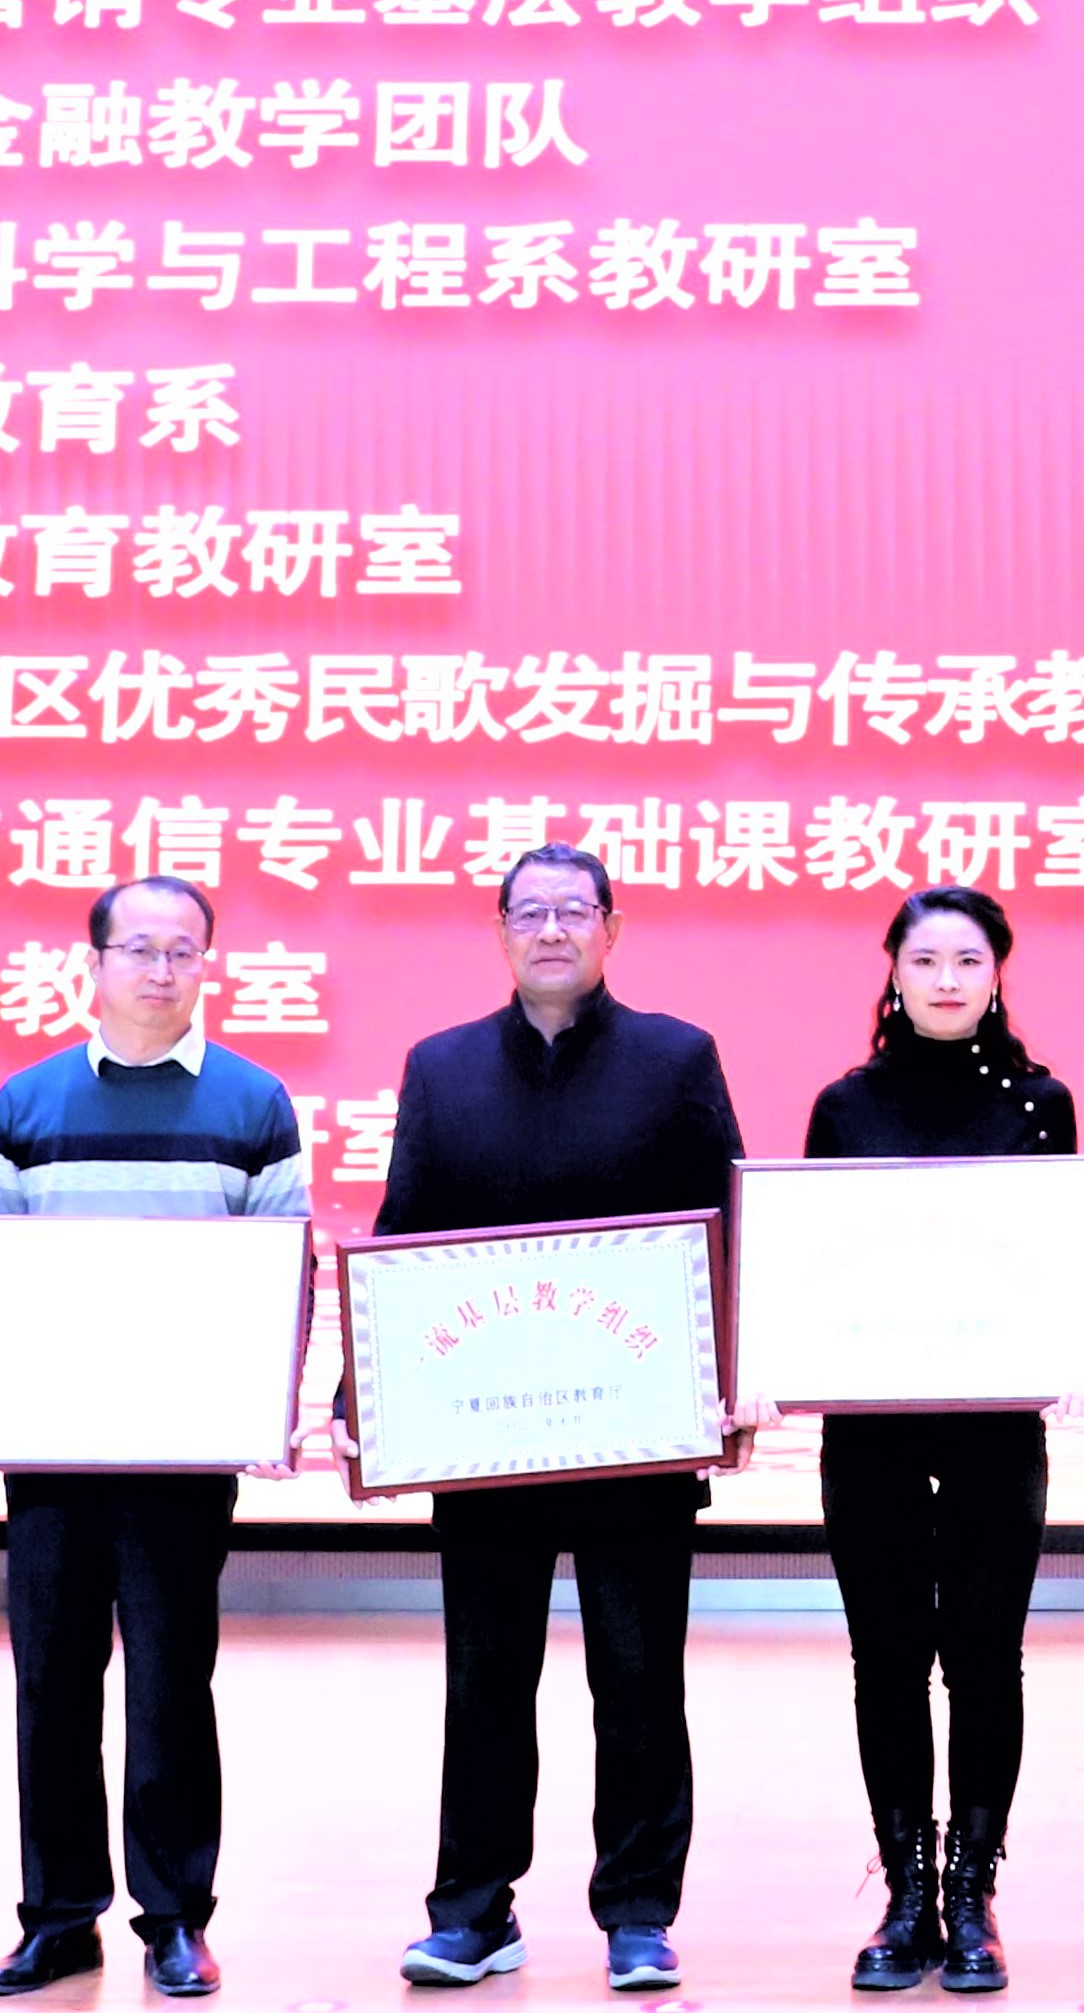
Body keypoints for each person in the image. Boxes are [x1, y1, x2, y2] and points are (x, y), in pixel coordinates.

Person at [366, 844, 745, 1996]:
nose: (549, 930)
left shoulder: (675, 1057)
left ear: (611, 928)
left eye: (572, 910)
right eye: (527, 911)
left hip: (637, 1429)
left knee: (639, 1679)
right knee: (486, 1681)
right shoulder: (441, 1067)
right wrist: (364, 1396)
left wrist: (732, 1377)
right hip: (485, 1431)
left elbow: (728, 1223)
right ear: (499, 930)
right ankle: (473, 1910)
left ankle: (637, 1911)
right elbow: (402, 1233)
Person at [0, 876, 312, 2003]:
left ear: (207, 963)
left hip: (182, 1453)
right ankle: (59, 1917)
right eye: (139, 949)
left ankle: (175, 1917)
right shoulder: (26, 1100)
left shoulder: (255, 1101)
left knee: (169, 1684)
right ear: (94, 961)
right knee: (52, 1684)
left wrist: (263, 1408)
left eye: (183, 950)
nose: (161, 969)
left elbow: (283, 1276)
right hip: (51, 1450)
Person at [791, 885, 1081, 1997]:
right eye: (926, 958)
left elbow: (1057, 1262)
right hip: (869, 1429)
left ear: (998, 972)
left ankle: (971, 1890)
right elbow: (812, 1262)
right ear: (894, 972)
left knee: (985, 1657)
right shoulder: (844, 1104)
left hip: (993, 1430)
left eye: (969, 958)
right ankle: (906, 1886)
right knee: (886, 1657)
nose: (948, 978)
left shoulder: (1041, 1102)